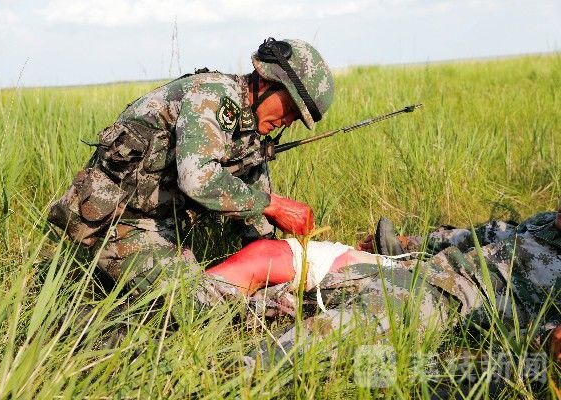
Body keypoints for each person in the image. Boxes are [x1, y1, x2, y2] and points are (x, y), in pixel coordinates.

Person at [47, 38, 334, 294]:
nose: (287, 122)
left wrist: (269, 257)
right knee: (191, 301)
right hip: (120, 221)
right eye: (291, 110)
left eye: (295, 120)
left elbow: (253, 209)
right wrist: (273, 205)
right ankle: (86, 323)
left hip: (162, 224)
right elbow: (198, 178)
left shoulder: (249, 131)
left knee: (226, 290)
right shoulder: (212, 96)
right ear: (267, 81)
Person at [204, 205, 561, 367]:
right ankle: (194, 303)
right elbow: (487, 234)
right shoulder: (547, 225)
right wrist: (404, 243)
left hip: (448, 299)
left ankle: (240, 370)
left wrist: (546, 339)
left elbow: (544, 342)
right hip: (418, 269)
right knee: (287, 259)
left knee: (355, 325)